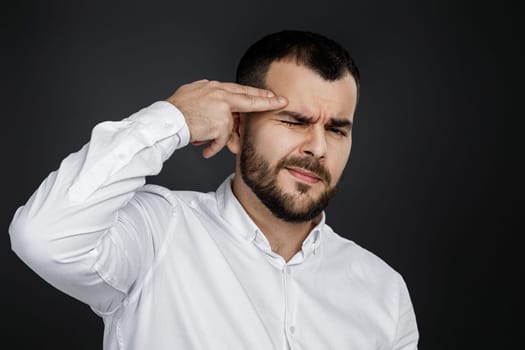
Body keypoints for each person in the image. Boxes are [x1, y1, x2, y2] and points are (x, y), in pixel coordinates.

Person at [9, 30, 419, 349]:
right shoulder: (158, 234)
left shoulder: (383, 291)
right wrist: (174, 120)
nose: (318, 147)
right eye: (294, 121)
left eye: (336, 129)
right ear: (237, 130)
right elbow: (43, 237)